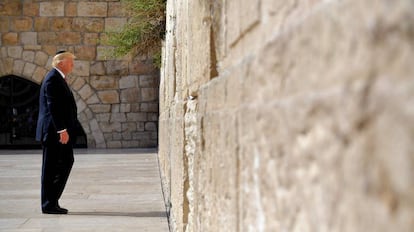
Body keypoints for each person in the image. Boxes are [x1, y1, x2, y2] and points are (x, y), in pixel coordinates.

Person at [36, 51, 78, 214]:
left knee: (64, 162)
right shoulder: (53, 79)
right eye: (70, 61)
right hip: (54, 133)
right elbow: (52, 106)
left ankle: (52, 201)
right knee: (51, 168)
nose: (72, 64)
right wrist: (62, 130)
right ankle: (49, 203)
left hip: (57, 132)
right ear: (60, 63)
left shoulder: (58, 78)